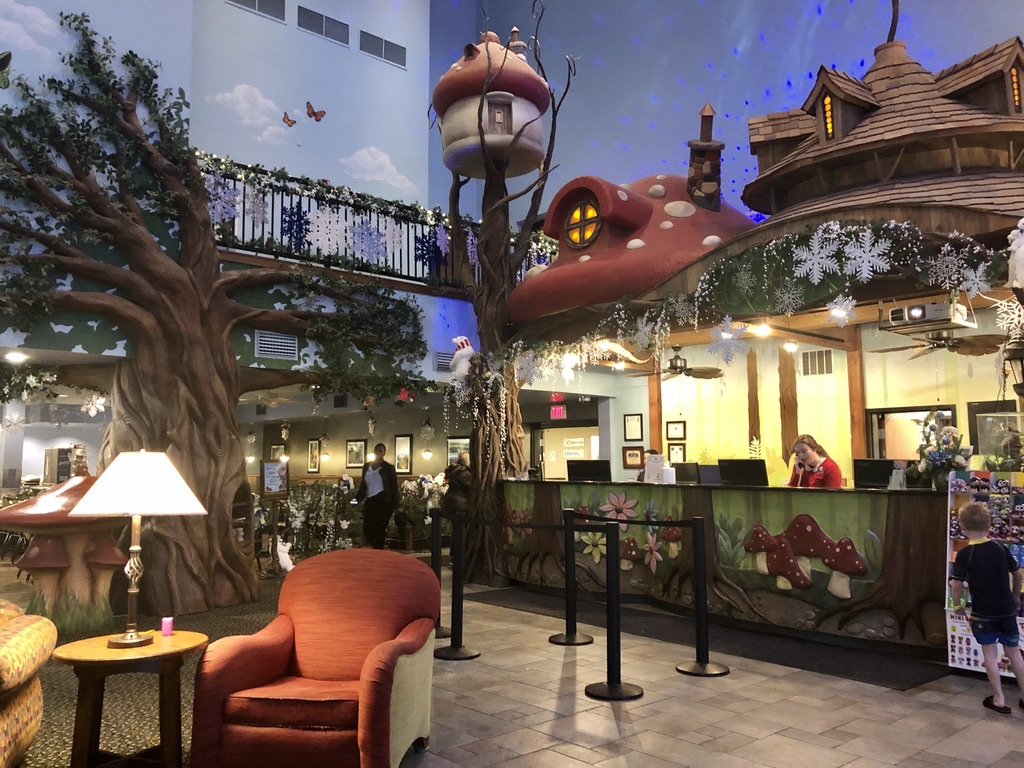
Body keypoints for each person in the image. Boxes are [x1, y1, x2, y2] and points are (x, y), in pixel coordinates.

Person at [949, 501, 1024, 714]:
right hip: (1007, 610)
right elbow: (1016, 573)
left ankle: (999, 698)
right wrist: (1015, 596)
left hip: (983, 613)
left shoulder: (965, 555)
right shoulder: (1001, 548)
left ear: (962, 527)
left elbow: (956, 584)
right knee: (1015, 652)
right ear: (989, 525)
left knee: (989, 654)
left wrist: (957, 605)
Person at [355, 442, 399, 549]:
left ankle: (378, 551)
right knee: (367, 527)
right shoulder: (367, 467)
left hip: (383, 501)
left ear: (384, 453)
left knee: (379, 529)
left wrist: (397, 505)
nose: (378, 453)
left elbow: (393, 486)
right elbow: (363, 486)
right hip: (370, 500)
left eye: (381, 451)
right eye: (376, 450)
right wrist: (355, 500)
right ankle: (374, 547)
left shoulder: (388, 468)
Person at [442, 451, 472, 520]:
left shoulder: (455, 470)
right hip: (460, 504)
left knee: (456, 527)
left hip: (451, 502)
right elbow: (470, 487)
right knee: (461, 527)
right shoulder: (464, 473)